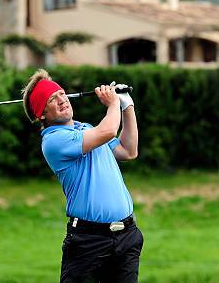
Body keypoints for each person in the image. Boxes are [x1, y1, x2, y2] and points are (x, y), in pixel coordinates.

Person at [22, 69, 143, 283]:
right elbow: (107, 132)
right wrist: (113, 103)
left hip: (126, 236)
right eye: (52, 99)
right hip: (89, 241)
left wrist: (127, 106)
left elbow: (128, 150)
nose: (62, 100)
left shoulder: (85, 129)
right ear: (41, 114)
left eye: (61, 93)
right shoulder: (53, 141)